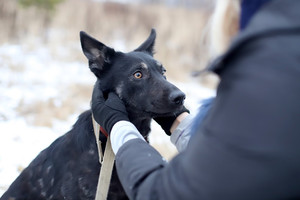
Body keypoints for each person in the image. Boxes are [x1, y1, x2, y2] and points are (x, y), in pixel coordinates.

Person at [92, 0, 300, 199]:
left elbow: (164, 194)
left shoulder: (262, 81)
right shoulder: (280, 71)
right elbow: (231, 162)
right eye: (139, 75)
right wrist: (178, 122)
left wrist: (118, 126)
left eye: (161, 72)